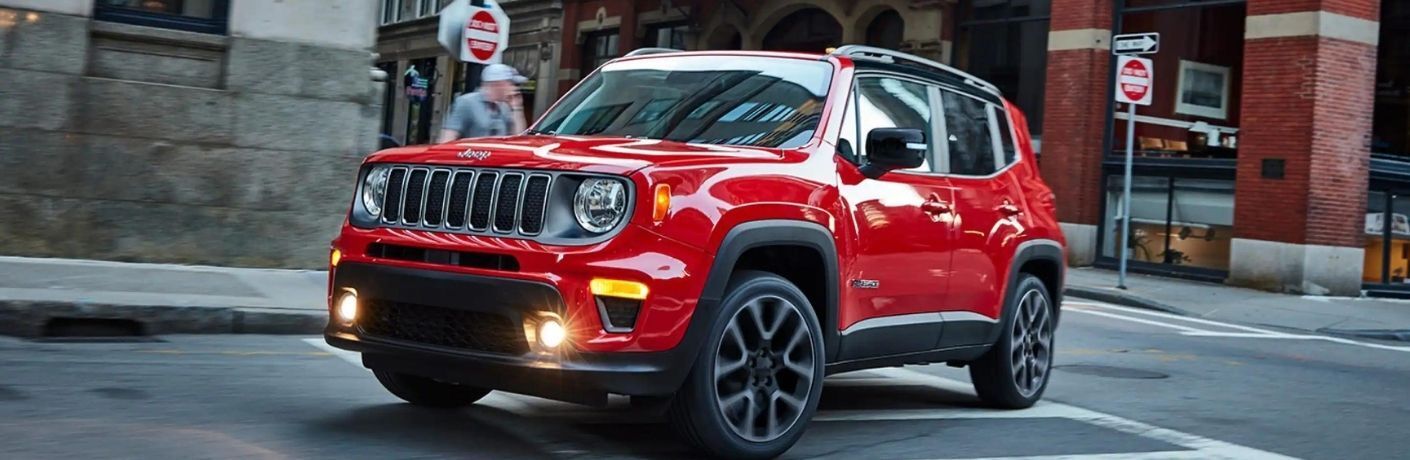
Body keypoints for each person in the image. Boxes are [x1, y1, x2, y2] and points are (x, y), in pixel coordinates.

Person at [438, 63, 528, 142]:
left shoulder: (504, 107)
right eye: (511, 83)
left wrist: (517, 108)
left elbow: (518, 138)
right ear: (499, 84)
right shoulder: (467, 102)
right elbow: (448, 137)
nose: (513, 88)